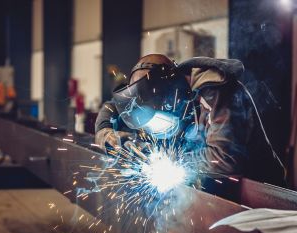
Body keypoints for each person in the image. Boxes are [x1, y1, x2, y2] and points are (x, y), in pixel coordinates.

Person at [95, 54, 285, 186]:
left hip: (263, 195)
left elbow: (224, 159)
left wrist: (169, 162)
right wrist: (105, 131)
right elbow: (112, 106)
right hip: (221, 191)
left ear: (170, 93)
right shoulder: (168, 93)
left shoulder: (217, 91)